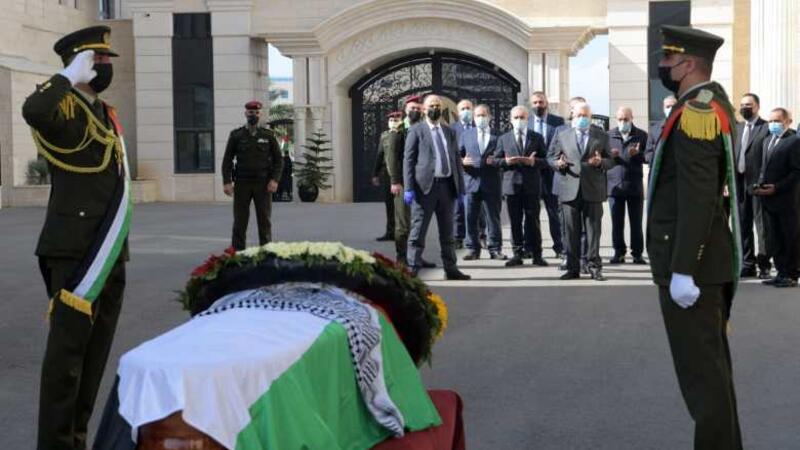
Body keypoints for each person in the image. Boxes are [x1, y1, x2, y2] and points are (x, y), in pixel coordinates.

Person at [22, 25, 131, 450]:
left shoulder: (105, 113)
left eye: (105, 60)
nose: (104, 66)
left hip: (110, 249)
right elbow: (34, 110)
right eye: (96, 59)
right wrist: (66, 77)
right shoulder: (62, 106)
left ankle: (76, 441)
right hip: (74, 251)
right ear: (78, 61)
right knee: (66, 362)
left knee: (94, 358)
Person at [648, 25, 743, 449]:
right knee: (712, 377)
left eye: (667, 59)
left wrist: (684, 267)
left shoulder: (698, 112)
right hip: (702, 263)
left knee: (703, 382)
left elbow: (698, 197)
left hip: (692, 267)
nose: (662, 66)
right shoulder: (708, 104)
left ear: (687, 64)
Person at [404, 94, 471, 280]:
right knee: (418, 231)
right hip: (424, 188)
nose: (435, 109)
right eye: (432, 105)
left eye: (438, 106)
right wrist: (409, 187)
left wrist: (461, 189)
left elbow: (456, 160)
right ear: (424, 109)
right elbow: (408, 160)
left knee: (448, 233)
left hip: (447, 188)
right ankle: (412, 268)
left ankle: (451, 268)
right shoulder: (416, 130)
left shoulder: (449, 131)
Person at [549, 101, 614, 281]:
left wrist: (601, 162)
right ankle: (572, 268)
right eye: (579, 115)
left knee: (593, 231)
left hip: (593, 189)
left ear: (590, 117)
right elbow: (551, 157)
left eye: (585, 116)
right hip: (569, 190)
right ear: (573, 116)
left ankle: (594, 267)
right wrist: (557, 163)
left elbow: (610, 160)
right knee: (570, 232)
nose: (582, 119)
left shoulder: (601, 136)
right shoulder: (562, 135)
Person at [222, 101, 283, 250]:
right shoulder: (236, 135)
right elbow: (227, 160)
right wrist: (227, 182)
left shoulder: (268, 135)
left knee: (264, 220)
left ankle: (266, 252)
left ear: (260, 114)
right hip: (242, 183)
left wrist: (274, 180)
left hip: (263, 184)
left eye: (256, 113)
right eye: (250, 113)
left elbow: (279, 160)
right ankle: (237, 253)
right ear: (246, 114)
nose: (253, 115)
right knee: (240, 220)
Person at [495, 106, 549, 267]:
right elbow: (495, 160)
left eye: (522, 117)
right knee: (515, 221)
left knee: (533, 221)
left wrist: (534, 162)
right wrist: (505, 162)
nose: (519, 120)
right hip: (512, 186)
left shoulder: (536, 137)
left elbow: (546, 160)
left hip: (531, 186)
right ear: (511, 120)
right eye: (516, 118)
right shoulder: (504, 138)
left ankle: (537, 254)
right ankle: (517, 254)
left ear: (527, 119)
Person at [754, 108, 799, 288]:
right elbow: (764, 168)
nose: (773, 124)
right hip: (768, 199)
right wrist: (759, 185)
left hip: (787, 200)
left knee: (789, 237)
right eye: (771, 121)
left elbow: (796, 172)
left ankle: (791, 274)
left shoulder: (794, 141)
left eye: (777, 121)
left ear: (788, 121)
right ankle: (781, 272)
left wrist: (777, 187)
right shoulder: (767, 141)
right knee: (775, 238)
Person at [460, 104, 505, 260]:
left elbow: (505, 158)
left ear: (490, 117)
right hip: (471, 182)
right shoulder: (466, 135)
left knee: (493, 218)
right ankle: (472, 249)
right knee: (470, 217)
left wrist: (497, 161)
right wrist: (462, 161)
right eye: (478, 116)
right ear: (474, 118)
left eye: (483, 115)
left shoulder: (498, 135)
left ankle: (495, 248)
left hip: (492, 182)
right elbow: (457, 155)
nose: (481, 118)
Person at [735, 93, 771, 278]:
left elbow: (769, 156)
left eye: (748, 105)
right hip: (739, 183)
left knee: (761, 225)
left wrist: (764, 180)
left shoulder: (766, 128)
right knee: (743, 224)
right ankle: (747, 264)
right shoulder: (737, 128)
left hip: (758, 184)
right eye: (742, 105)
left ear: (757, 106)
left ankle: (764, 264)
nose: (744, 108)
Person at [607, 107, 648, 264]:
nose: (623, 122)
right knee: (617, 222)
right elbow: (602, 157)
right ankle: (619, 252)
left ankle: (637, 254)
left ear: (632, 118)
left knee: (636, 222)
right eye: (620, 119)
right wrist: (611, 156)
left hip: (634, 185)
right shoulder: (609, 135)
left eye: (626, 119)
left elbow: (649, 157)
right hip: (614, 185)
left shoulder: (641, 135)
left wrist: (638, 154)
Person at [528, 91, 565, 258]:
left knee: (554, 213)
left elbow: (561, 145)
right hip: (532, 174)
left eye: (541, 102)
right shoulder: (526, 122)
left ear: (546, 103)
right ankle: (531, 248)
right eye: (535, 103)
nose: (538, 105)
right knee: (531, 213)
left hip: (552, 174)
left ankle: (560, 247)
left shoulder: (558, 122)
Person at [450, 99, 475, 249]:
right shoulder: (452, 129)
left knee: (477, 208)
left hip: (476, 174)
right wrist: (461, 161)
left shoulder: (479, 126)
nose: (466, 111)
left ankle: (480, 235)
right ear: (458, 112)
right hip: (458, 174)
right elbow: (448, 152)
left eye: (468, 108)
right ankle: (458, 237)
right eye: (463, 109)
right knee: (458, 208)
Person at [373, 113, 397, 242]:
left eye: (396, 120)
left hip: (401, 175)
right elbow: (379, 155)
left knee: (402, 207)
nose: (393, 122)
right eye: (391, 120)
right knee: (389, 205)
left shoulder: (405, 134)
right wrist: (375, 174)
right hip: (388, 175)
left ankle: (402, 232)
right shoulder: (385, 136)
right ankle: (390, 232)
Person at [645, 95, 677, 166]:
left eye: (673, 106)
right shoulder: (654, 130)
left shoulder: (684, 128)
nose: (670, 109)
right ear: (663, 109)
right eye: (668, 107)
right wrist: (657, 161)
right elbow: (648, 153)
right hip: (660, 169)